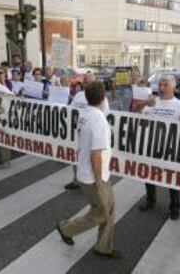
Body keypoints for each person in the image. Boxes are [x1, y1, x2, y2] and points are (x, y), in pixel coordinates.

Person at [56, 82, 119, 259]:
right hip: (94, 177)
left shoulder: (85, 114)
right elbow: (96, 153)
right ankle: (66, 229)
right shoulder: (98, 120)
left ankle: (104, 247)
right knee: (102, 212)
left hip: (90, 172)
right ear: (103, 98)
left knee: (109, 209)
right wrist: (99, 178)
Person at [138, 75, 180, 220]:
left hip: (171, 148)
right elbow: (136, 115)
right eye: (160, 85)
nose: (162, 88)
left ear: (173, 88)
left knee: (172, 179)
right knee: (149, 175)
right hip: (151, 146)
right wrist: (144, 104)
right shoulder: (152, 102)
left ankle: (175, 207)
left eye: (165, 85)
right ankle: (150, 201)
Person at [65, 73, 110, 191]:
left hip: (91, 133)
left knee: (92, 157)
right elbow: (71, 110)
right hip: (77, 130)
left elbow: (104, 115)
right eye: (85, 81)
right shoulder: (79, 95)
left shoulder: (102, 99)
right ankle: (77, 180)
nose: (86, 84)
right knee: (75, 157)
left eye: (89, 82)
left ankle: (93, 180)